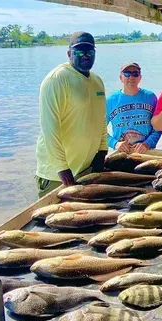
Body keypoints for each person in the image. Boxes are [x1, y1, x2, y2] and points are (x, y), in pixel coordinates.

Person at [35, 31, 108, 198]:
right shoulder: (57, 79)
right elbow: (49, 130)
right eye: (79, 51)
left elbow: (101, 119)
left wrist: (102, 150)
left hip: (87, 168)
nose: (85, 56)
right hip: (58, 176)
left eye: (90, 52)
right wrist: (62, 169)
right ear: (69, 53)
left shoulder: (97, 81)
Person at [106, 62, 161, 153]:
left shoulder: (150, 97)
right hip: (121, 153)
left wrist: (147, 143)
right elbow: (100, 130)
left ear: (140, 78)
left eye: (135, 74)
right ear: (121, 78)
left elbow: (159, 127)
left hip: (147, 152)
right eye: (127, 74)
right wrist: (115, 143)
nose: (131, 77)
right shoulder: (111, 101)